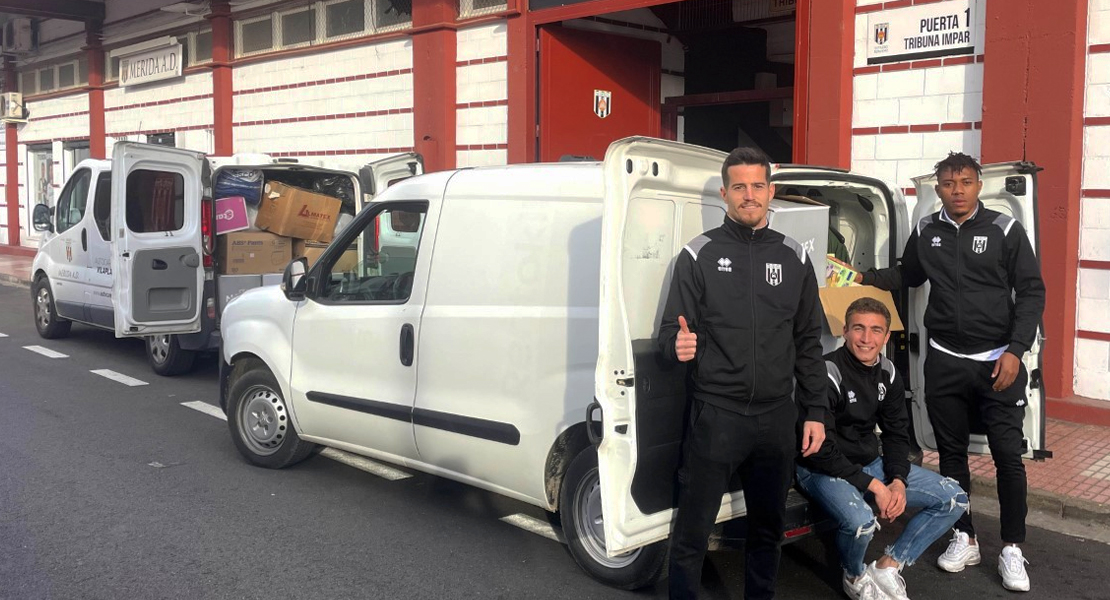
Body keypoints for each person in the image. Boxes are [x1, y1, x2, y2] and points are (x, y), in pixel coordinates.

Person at [839, 152, 1045, 592]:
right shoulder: (927, 229)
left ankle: (1012, 546)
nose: (957, 191)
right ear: (939, 189)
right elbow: (907, 275)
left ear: (978, 186)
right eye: (949, 184)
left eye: (965, 182)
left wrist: (1016, 350)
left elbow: (1031, 292)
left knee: (1007, 455)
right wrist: (862, 278)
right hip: (945, 359)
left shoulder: (1005, 229)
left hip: (997, 362)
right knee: (951, 455)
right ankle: (964, 537)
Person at [658, 147, 828, 600]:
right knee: (692, 533)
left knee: (767, 532)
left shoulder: (794, 256)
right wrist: (675, 345)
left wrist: (815, 411)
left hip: (776, 419)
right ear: (725, 193)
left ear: (771, 191)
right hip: (717, 415)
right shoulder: (698, 254)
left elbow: (808, 342)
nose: (749, 195)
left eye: (757, 186)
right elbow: (669, 331)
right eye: (739, 187)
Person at [796, 297, 968, 600]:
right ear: (845, 331)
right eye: (858, 328)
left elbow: (897, 434)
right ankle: (854, 575)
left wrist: (898, 480)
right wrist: (876, 486)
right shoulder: (827, 372)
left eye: (876, 330)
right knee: (861, 523)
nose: (866, 338)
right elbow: (821, 450)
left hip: (866, 462)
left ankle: (889, 565)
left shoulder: (888, 372)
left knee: (954, 498)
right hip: (821, 468)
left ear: (887, 336)